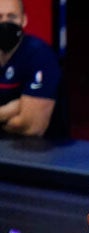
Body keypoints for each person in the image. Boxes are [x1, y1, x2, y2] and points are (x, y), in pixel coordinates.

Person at [0, 0, 62, 137]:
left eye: (11, 17)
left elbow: (31, 126)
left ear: (24, 20)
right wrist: (13, 109)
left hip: (40, 151)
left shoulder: (40, 55)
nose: (5, 23)